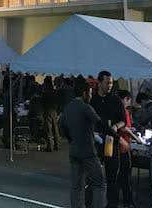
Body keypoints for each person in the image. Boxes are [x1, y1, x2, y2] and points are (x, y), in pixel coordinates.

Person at [61, 76, 105, 208]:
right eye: (90, 93)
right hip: (88, 150)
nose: (91, 96)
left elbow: (64, 129)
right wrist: (115, 135)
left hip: (74, 150)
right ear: (85, 93)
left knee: (76, 186)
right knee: (99, 182)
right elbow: (100, 123)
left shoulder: (67, 108)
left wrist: (72, 140)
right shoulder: (86, 107)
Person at [90, 70, 126, 208]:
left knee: (112, 177)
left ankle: (112, 204)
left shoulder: (115, 100)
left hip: (111, 141)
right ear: (100, 83)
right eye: (107, 83)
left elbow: (123, 120)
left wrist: (116, 126)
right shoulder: (93, 100)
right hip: (97, 141)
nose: (110, 85)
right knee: (94, 176)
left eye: (111, 83)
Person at [117, 90, 142, 208]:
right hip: (124, 147)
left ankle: (117, 199)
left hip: (117, 147)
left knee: (119, 176)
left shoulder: (115, 110)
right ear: (126, 99)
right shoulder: (124, 111)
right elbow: (124, 128)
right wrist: (136, 138)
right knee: (125, 176)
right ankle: (128, 201)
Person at [42, 76, 60, 152]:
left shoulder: (45, 93)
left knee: (48, 129)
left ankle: (50, 145)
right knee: (55, 128)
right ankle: (57, 144)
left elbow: (42, 103)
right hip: (54, 111)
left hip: (47, 111)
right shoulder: (55, 92)